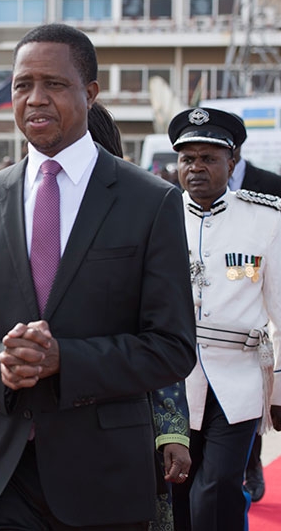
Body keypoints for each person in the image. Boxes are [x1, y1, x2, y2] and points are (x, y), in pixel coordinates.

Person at [0, 23, 196, 530]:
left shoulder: (150, 201)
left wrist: (64, 361)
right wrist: (1, 363)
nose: (35, 99)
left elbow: (172, 346)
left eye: (54, 84)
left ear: (89, 93)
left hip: (103, 479)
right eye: (22, 84)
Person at [167, 107, 281, 531]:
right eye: (187, 158)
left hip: (240, 380)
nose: (196, 167)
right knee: (174, 491)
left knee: (215, 489)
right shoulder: (157, 215)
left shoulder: (265, 219)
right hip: (172, 380)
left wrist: (280, 390)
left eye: (209, 158)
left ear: (232, 162)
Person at [88, 101, 191, 531]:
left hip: (126, 412)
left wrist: (172, 430)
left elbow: (163, 332)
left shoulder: (143, 207)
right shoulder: (19, 204)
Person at [226, 122, 281, 503]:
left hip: (258, 292)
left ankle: (252, 464)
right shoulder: (179, 187)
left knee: (251, 395)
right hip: (209, 310)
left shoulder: (270, 184)